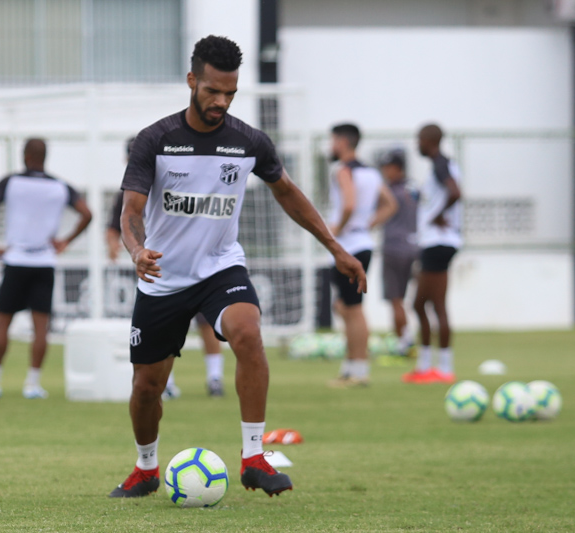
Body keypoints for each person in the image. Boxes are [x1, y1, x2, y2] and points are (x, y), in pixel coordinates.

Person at [109, 35, 366, 499]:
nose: (221, 102)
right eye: (212, 91)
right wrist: (136, 251)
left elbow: (286, 191)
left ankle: (253, 458)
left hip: (220, 268)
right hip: (163, 275)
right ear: (192, 81)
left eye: (230, 92)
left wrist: (334, 246)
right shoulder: (156, 140)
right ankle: (146, 468)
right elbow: (130, 211)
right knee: (147, 387)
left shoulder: (248, 142)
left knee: (248, 333)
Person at [106, 137, 226, 399]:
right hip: (156, 268)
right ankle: (167, 383)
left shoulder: (176, 181)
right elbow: (115, 225)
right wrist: (115, 245)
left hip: (193, 264)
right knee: (164, 328)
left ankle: (215, 377)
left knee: (206, 323)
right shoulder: (128, 192)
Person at [0, 138, 91, 400]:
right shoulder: (59, 186)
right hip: (44, 262)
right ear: (46, 156)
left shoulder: (10, 182)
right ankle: (32, 384)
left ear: (24, 155)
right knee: (41, 327)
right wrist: (65, 240)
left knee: (2, 323)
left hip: (16, 259)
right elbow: (87, 213)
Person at [326, 124, 397, 388]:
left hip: (348, 246)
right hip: (362, 242)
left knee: (353, 309)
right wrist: (367, 225)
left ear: (343, 142)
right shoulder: (370, 172)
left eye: (333, 140)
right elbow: (391, 205)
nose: (331, 146)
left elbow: (349, 204)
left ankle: (359, 370)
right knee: (343, 306)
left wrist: (337, 229)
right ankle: (350, 366)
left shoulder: (343, 170)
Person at [402, 124, 463, 385]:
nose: (417, 145)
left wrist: (438, 216)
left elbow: (455, 193)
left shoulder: (440, 164)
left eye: (419, 140)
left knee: (425, 304)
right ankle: (429, 365)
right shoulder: (444, 164)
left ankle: (441, 368)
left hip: (438, 242)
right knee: (426, 304)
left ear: (429, 140)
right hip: (440, 243)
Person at [379, 148, 419, 356]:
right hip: (414, 246)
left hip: (394, 247)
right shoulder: (414, 189)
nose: (384, 172)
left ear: (396, 168)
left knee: (395, 299)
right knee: (416, 299)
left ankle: (404, 343)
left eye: (387, 167)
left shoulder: (388, 191)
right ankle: (414, 340)